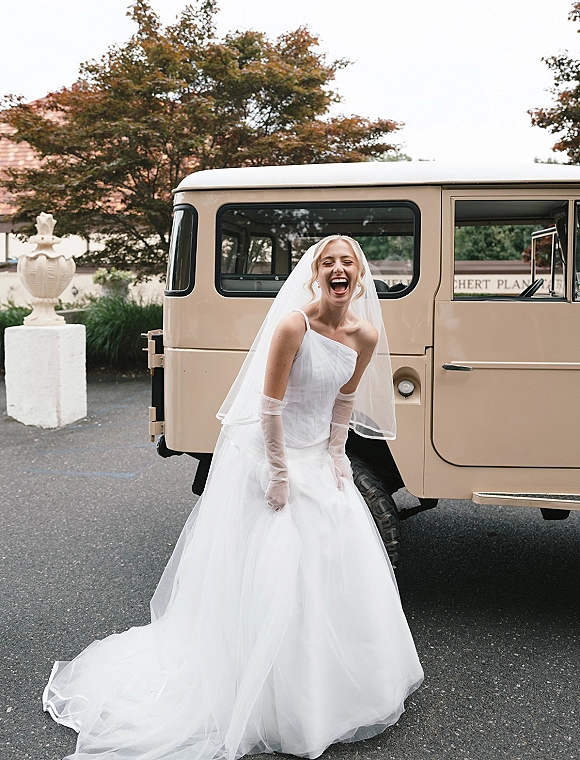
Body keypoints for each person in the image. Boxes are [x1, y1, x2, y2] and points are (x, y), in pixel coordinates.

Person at [43, 236, 423, 760]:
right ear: (316, 276)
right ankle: (260, 690)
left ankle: (327, 688)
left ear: (360, 275)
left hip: (319, 460)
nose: (339, 271)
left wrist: (337, 455)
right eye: (328, 263)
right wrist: (279, 473)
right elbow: (269, 406)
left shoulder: (365, 334)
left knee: (332, 571)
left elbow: (345, 398)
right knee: (272, 575)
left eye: (348, 263)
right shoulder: (294, 325)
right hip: (275, 458)